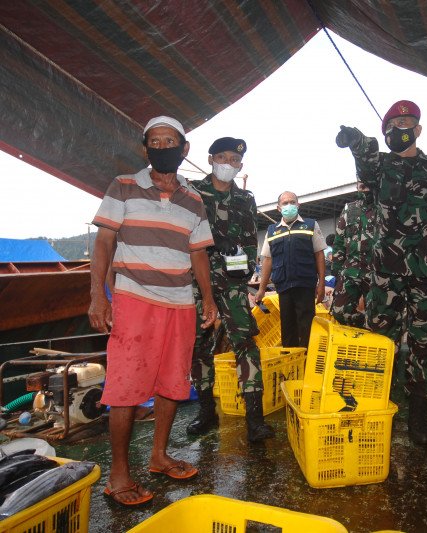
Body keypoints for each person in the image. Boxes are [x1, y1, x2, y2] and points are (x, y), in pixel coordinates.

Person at [88, 116, 217, 507]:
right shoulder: (123, 186)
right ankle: (119, 475)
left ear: (184, 149)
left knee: (173, 383)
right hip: (134, 300)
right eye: (155, 141)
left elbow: (198, 255)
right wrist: (99, 296)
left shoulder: (194, 199)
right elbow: (104, 242)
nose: (164, 147)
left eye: (171, 141)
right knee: (126, 388)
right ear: (145, 149)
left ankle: (159, 456)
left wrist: (208, 299)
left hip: (180, 304)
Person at [335, 100, 427, 445]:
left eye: (407, 122)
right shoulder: (380, 166)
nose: (401, 127)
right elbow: (366, 158)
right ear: (386, 132)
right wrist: (357, 140)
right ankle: (374, 409)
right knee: (379, 339)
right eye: (394, 123)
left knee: (424, 343)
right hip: (387, 270)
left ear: (418, 129)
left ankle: (419, 417)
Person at [186, 137, 273, 443]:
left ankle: (255, 420)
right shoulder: (192, 192)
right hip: (197, 283)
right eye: (222, 158)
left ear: (240, 165)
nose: (228, 164)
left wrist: (245, 265)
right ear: (211, 159)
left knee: (246, 344)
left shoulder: (245, 199)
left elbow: (251, 238)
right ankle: (207, 412)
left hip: (233, 284)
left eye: (234, 161)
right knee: (198, 346)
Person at [254, 191, 326, 348]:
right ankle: (291, 362)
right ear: (278, 208)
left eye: (292, 202)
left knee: (307, 327)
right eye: (285, 203)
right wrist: (261, 289)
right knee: (288, 328)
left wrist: (321, 284)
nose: (289, 206)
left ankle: (307, 362)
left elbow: (319, 255)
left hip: (305, 286)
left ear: (298, 205)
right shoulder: (272, 231)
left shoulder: (311, 225)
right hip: (283, 287)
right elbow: (267, 259)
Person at [330, 181, 375, 328]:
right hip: (351, 268)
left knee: (380, 316)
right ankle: (362, 327)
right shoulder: (350, 209)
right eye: (361, 186)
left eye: (368, 184)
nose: (364, 189)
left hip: (378, 270)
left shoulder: (386, 207)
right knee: (339, 311)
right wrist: (337, 271)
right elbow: (339, 240)